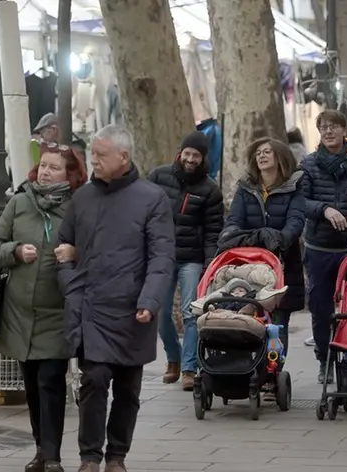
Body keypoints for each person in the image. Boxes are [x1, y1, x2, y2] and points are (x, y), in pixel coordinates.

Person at [56, 125, 175, 472]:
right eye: (92, 154)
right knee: (93, 381)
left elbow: (162, 257)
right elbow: (61, 252)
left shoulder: (151, 198)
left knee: (128, 391)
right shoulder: (81, 198)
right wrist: (72, 288)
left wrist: (149, 301)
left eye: (101, 155)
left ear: (123, 157)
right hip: (91, 308)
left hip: (133, 310)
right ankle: (89, 457)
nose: (93, 160)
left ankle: (117, 456)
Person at [0, 144, 87, 472]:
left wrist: (74, 252)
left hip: (56, 312)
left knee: (51, 382)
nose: (45, 172)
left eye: (54, 168)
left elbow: (94, 248)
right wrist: (14, 251)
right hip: (19, 313)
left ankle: (53, 456)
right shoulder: (19, 202)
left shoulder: (78, 207)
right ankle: (41, 452)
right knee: (33, 385)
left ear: (69, 174)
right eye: (42, 166)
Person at [300, 110, 347, 383]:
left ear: (345, 129)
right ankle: (325, 359)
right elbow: (300, 202)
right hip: (319, 248)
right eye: (323, 128)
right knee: (320, 308)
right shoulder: (307, 164)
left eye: (333, 127)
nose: (328, 132)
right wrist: (325, 209)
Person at [147, 131, 224, 390]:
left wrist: (209, 263)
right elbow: (144, 212)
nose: (191, 159)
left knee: (191, 313)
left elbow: (214, 230)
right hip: (162, 255)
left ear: (203, 159)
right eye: (187, 154)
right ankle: (174, 357)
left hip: (192, 258)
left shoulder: (210, 189)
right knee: (160, 312)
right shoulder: (158, 177)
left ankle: (189, 368)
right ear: (180, 153)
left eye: (196, 155)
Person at [223, 137, 306, 355]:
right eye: (258, 152)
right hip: (249, 263)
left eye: (267, 151)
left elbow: (296, 221)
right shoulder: (246, 187)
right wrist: (247, 238)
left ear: (280, 157)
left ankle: (273, 373)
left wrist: (278, 241)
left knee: (277, 322)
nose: (262, 155)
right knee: (246, 316)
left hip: (283, 262)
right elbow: (234, 221)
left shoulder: (294, 186)